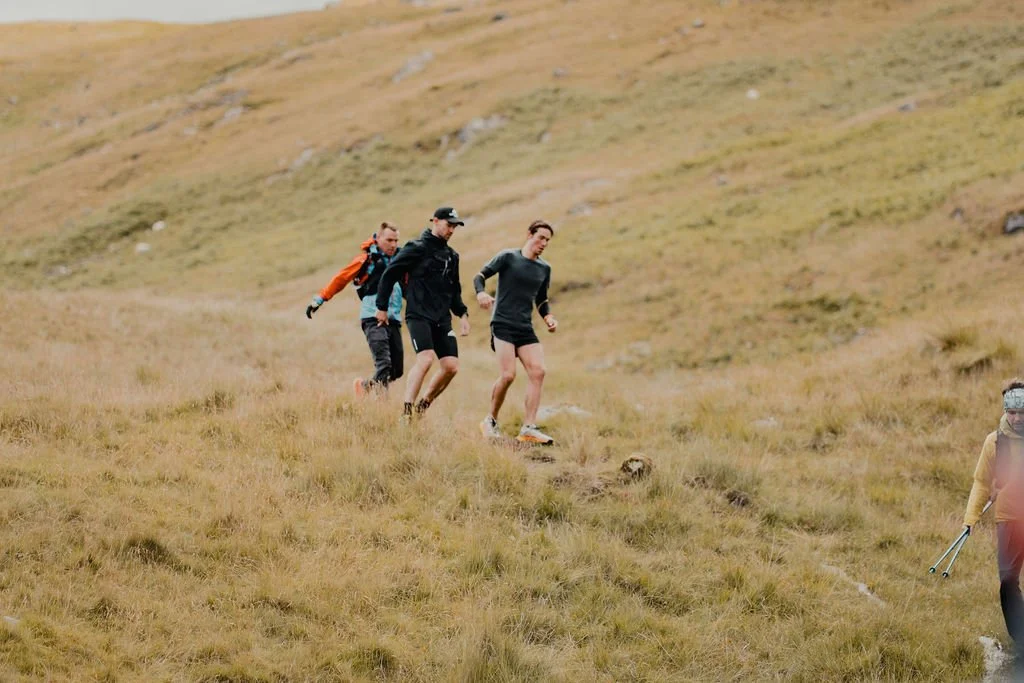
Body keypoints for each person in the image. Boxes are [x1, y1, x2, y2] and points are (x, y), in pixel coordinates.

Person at [374, 207, 470, 420]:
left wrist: (462, 314)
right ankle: (406, 413)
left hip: (442, 318)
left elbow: (454, 289)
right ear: (435, 221)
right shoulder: (416, 248)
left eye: (454, 226)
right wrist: (382, 307)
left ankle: (422, 407)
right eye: (448, 225)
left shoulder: (452, 256)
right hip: (418, 314)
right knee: (426, 360)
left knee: (451, 367)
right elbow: (390, 274)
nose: (451, 230)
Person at [473, 219, 557, 445]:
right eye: (541, 238)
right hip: (502, 323)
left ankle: (529, 428)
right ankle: (490, 421)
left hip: (524, 327)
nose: (544, 243)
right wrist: (481, 293)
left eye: (547, 240)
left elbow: (541, 300)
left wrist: (548, 317)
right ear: (529, 234)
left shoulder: (544, 268)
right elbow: (479, 276)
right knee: (508, 375)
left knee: (538, 371)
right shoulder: (508, 257)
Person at [305, 223, 404, 395]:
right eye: (389, 240)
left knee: (397, 370)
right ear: (378, 238)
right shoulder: (366, 260)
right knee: (384, 365)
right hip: (372, 317)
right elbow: (341, 279)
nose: (393, 244)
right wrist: (320, 299)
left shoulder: (401, 259)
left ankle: (364, 387)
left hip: (393, 318)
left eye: (396, 241)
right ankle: (382, 406)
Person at [963, 378, 1024, 653]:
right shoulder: (994, 442)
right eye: (1012, 412)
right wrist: (970, 518)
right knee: (1008, 581)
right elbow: (981, 482)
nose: (1017, 418)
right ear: (1005, 410)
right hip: (1008, 519)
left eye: (1022, 413)